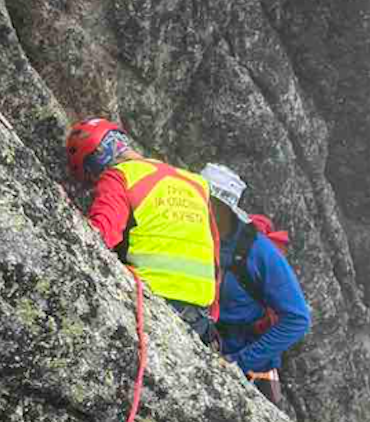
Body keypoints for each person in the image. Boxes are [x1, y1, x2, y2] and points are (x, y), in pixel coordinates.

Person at [66, 118, 221, 346]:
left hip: (151, 302)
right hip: (199, 317)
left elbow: (101, 235)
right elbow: (215, 255)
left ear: (95, 160)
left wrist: (65, 213)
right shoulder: (196, 183)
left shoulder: (120, 176)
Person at [200, 163, 311, 406]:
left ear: (222, 208)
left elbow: (298, 318)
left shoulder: (259, 252)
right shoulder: (196, 233)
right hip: (208, 341)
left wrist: (240, 361)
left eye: (206, 201)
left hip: (248, 362)